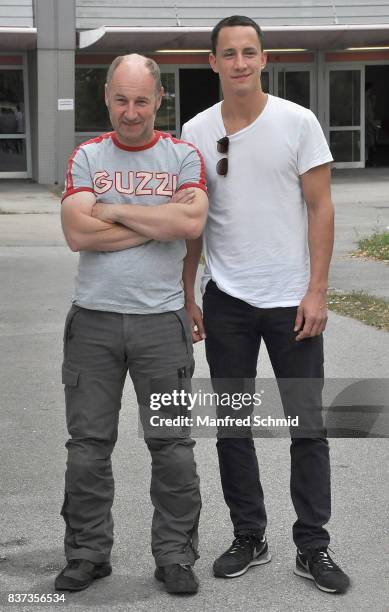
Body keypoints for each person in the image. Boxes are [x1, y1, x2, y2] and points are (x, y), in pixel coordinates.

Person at [181, 15, 350, 594]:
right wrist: (188, 293)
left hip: (291, 302)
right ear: (213, 63)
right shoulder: (196, 130)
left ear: (264, 58)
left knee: (307, 427)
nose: (240, 63)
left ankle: (313, 547)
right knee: (233, 426)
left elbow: (321, 208)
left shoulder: (297, 122)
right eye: (228, 54)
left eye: (249, 52)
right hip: (227, 299)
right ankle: (249, 536)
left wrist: (318, 290)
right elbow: (193, 220)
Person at [55, 54, 208, 595]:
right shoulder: (87, 155)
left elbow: (190, 221)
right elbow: (77, 232)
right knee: (87, 447)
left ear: (160, 99)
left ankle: (174, 555)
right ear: (107, 98)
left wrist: (112, 210)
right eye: (121, 99)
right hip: (93, 322)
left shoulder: (183, 155)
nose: (131, 111)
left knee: (172, 447)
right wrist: (152, 220)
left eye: (142, 100)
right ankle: (88, 553)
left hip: (160, 324)